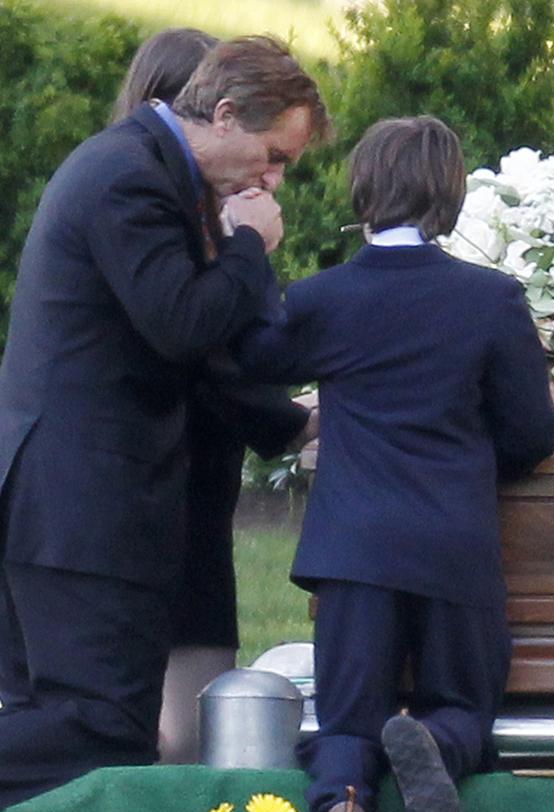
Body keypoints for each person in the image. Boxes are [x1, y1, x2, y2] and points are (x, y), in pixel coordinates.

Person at [0, 35, 329, 810]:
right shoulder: (130, 178)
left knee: (59, 718)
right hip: (79, 504)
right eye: (274, 155)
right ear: (223, 115)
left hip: (68, 501)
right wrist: (249, 245)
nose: (274, 180)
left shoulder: (143, 169)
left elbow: (194, 356)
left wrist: (286, 422)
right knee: (105, 728)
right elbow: (183, 324)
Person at [235, 116, 554, 812]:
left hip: (352, 549)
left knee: (347, 714)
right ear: (450, 195)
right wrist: (478, 461)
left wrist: (250, 256)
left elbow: (255, 358)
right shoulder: (491, 298)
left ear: (363, 188)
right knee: (465, 702)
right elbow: (532, 433)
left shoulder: (324, 299)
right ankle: (436, 746)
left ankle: (346, 802)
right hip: (453, 544)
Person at [111, 27, 316, 764]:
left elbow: (250, 335)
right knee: (141, 695)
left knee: (195, 690)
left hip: (201, 475)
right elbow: (199, 346)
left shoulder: (212, 210)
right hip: (154, 472)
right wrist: (294, 421)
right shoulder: (143, 198)